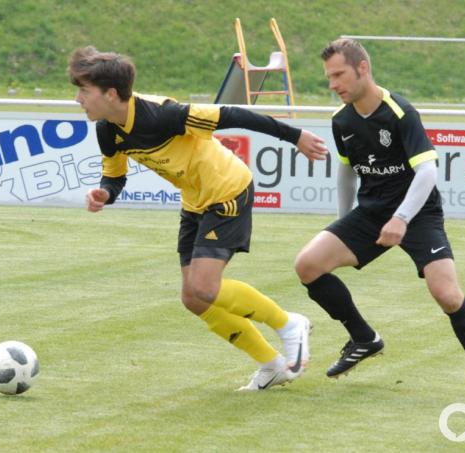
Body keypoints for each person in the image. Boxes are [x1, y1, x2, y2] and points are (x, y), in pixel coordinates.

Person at [69, 46, 327, 391]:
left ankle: (288, 324)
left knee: (204, 287)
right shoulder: (107, 130)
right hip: (195, 201)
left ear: (111, 94)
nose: (78, 99)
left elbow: (233, 115)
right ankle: (272, 365)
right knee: (193, 298)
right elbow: (114, 176)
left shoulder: (164, 115)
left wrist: (295, 136)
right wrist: (105, 193)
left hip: (228, 190)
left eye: (84, 91)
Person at [294, 38, 465, 397]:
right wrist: (343, 223)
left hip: (418, 214)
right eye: (329, 77)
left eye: (339, 75)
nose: (332, 84)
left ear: (363, 68)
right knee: (307, 265)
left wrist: (402, 218)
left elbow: (428, 172)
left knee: (447, 294)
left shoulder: (400, 112)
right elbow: (346, 171)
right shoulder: (341, 119)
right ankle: (363, 337)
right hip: (371, 213)